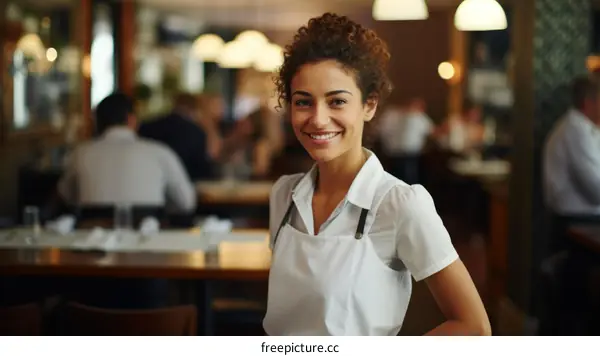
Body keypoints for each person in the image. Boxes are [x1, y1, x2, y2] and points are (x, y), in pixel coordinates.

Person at [263, 13, 490, 336]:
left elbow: (474, 326)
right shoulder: (284, 195)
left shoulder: (400, 204)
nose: (318, 118)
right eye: (303, 102)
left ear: (369, 105)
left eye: (337, 101)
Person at [58, 93, 196, 214]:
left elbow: (66, 197)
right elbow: (187, 203)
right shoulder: (160, 153)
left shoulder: (80, 154)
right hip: (148, 241)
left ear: (96, 122)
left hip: (91, 239)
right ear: (132, 119)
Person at [544, 76, 600, 216]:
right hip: (576, 223)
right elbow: (596, 190)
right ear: (588, 103)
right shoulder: (576, 130)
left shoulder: (584, 127)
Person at [138, 92, 216, 181]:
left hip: (152, 184)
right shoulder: (197, 132)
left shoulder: (147, 127)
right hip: (187, 185)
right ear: (193, 109)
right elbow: (203, 170)